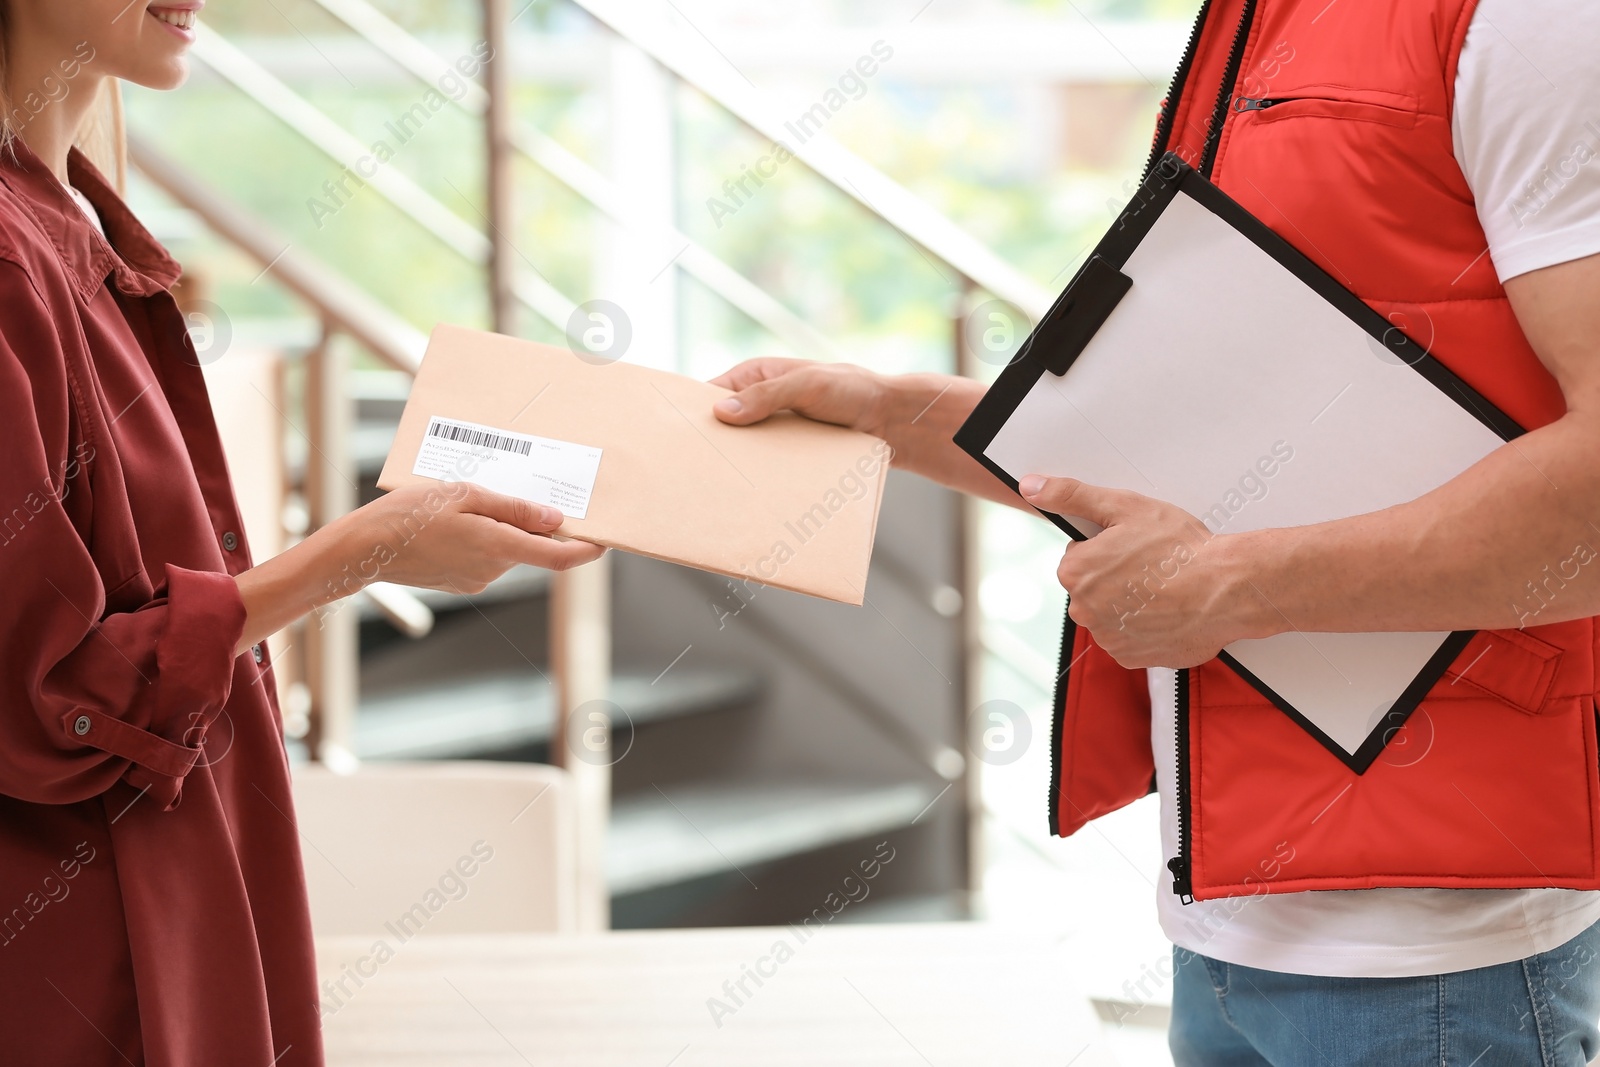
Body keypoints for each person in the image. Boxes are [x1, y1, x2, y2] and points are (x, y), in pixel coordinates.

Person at [713, 0, 1600, 1062]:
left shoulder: (1529, 22)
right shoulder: (1250, 24)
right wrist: (888, 414)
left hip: (1432, 961)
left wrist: (1238, 584)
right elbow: (1194, 450)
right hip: (1219, 922)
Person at [0, 2, 603, 1064]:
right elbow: (43, 700)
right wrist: (354, 555)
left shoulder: (79, 230)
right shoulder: (15, 264)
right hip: (78, 954)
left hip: (169, 901)